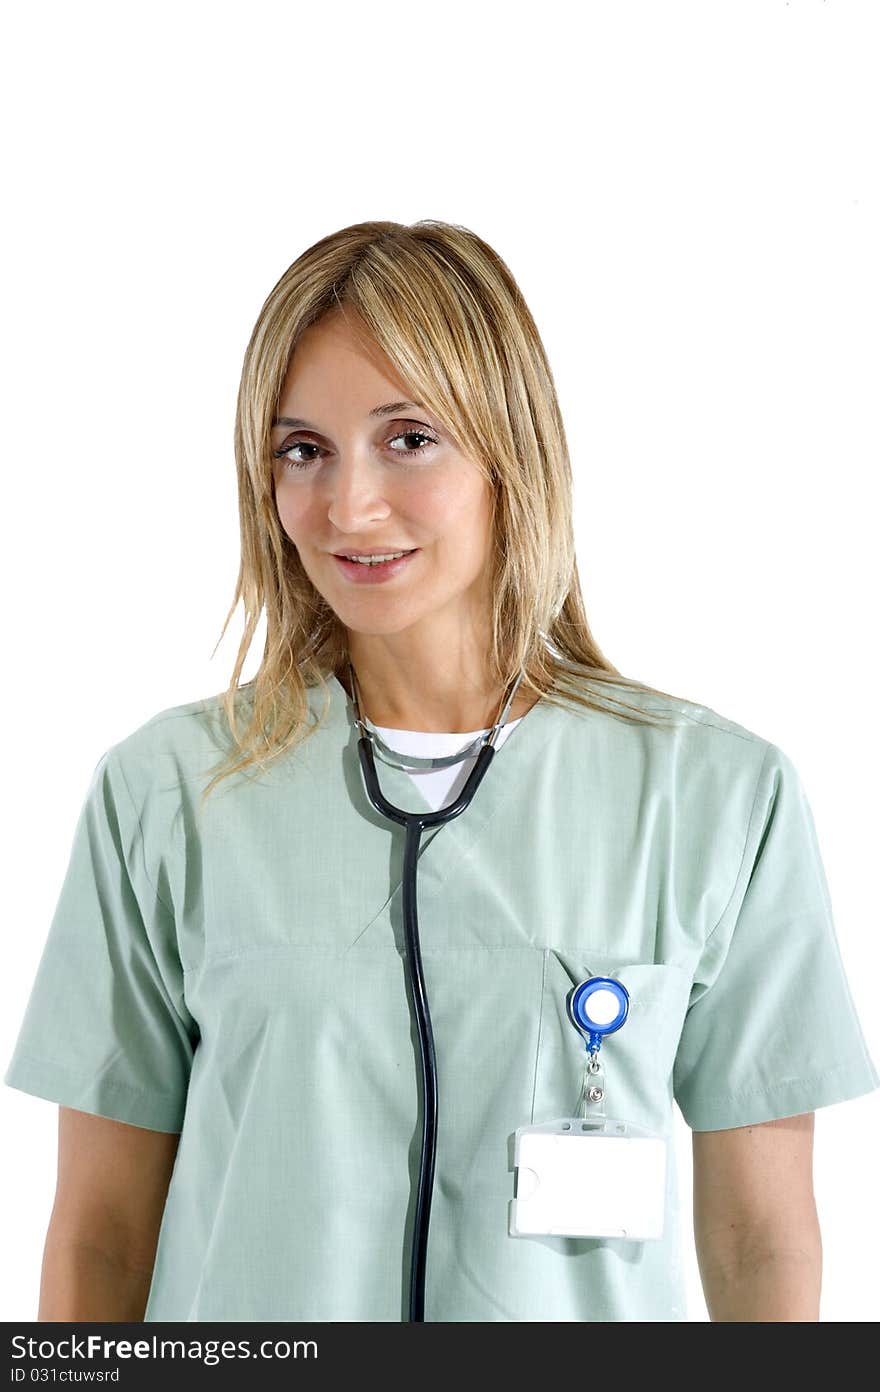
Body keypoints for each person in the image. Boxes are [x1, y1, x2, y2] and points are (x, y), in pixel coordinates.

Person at [6, 219, 878, 1324]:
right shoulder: (169, 792)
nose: (348, 507)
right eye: (301, 449)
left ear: (508, 446)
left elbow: (761, 1242)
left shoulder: (711, 795)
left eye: (407, 438)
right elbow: (99, 1237)